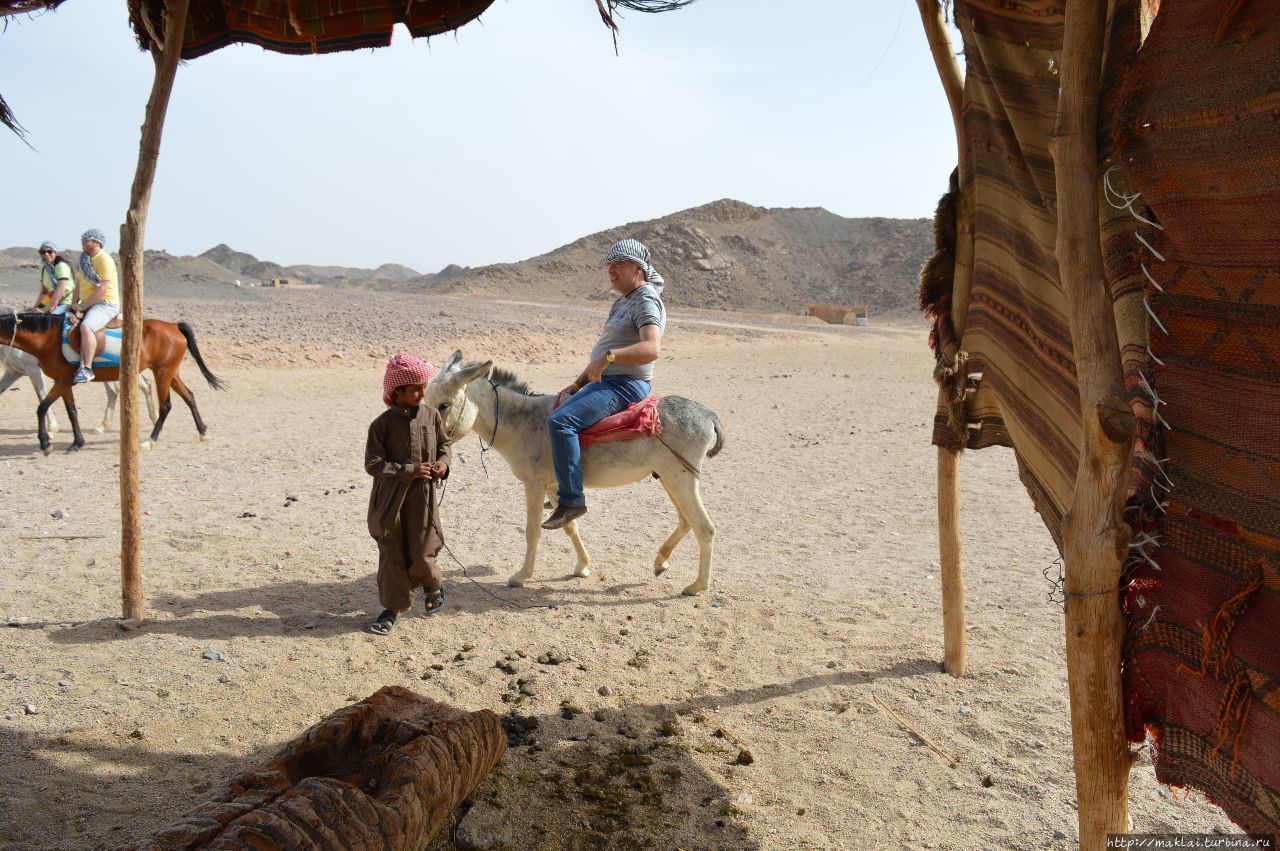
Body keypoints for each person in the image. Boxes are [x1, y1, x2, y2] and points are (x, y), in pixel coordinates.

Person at [542, 238, 666, 530]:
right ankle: (562, 481)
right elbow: (603, 353)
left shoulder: (646, 299)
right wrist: (576, 383)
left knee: (561, 423)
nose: (611, 270)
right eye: (609, 265)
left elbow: (652, 348)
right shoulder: (623, 301)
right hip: (606, 380)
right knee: (552, 410)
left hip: (625, 384)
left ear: (638, 268)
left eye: (618, 264)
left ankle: (571, 500)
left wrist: (610, 357)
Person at [364, 352, 451, 636]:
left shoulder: (432, 416)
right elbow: (373, 464)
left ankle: (432, 583)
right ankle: (392, 609)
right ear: (396, 391)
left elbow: (444, 446)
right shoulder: (381, 425)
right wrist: (408, 469)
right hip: (390, 500)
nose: (422, 393)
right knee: (392, 553)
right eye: (416, 388)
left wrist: (442, 465)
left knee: (424, 548)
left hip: (422, 497)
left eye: (424, 387)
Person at [69, 228, 121, 383]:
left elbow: (102, 289)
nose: (83, 242)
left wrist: (83, 307)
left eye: (86, 239)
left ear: (97, 243)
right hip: (87, 304)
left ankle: (87, 368)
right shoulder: (83, 260)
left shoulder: (104, 259)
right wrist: (73, 304)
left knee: (86, 327)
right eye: (82, 239)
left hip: (105, 304)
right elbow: (78, 285)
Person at [32, 241, 74, 314]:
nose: (46, 254)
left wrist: (45, 309)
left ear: (55, 253)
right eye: (43, 252)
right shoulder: (44, 268)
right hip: (50, 298)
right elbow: (44, 292)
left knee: (51, 318)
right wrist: (35, 307)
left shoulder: (61, 266)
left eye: (49, 251)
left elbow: (60, 291)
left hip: (66, 301)